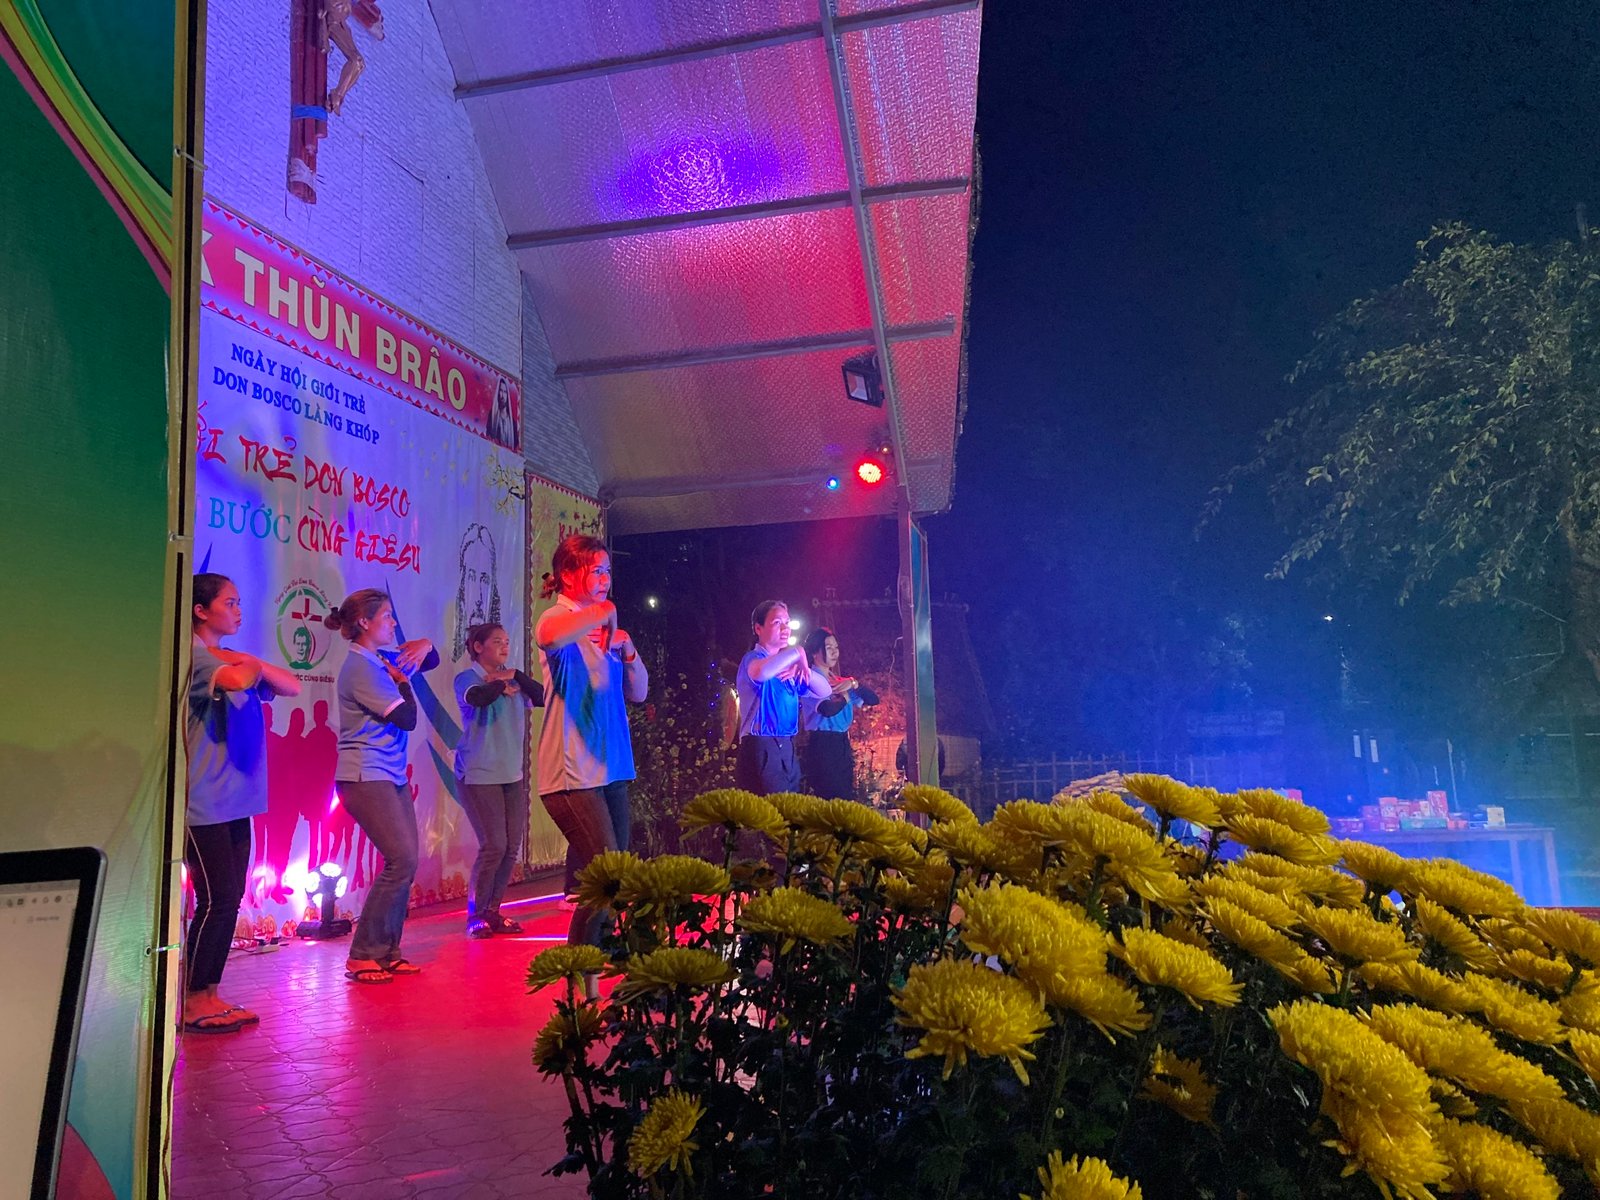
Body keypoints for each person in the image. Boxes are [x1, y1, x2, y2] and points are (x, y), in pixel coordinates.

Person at [185, 573, 301, 1032]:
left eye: (238, 602)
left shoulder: (226, 656)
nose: (238, 611)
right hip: (204, 802)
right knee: (215, 900)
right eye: (229, 603)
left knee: (230, 899)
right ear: (200, 610)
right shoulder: (196, 658)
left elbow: (290, 685)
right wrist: (242, 662)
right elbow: (236, 679)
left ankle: (210, 994)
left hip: (235, 801)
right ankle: (192, 1000)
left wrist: (245, 658)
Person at [535, 535, 648, 951]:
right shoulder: (557, 618)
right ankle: (579, 962)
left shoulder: (606, 629)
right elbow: (549, 637)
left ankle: (599, 956)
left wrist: (628, 648)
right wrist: (604, 611)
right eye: (596, 571)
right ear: (567, 575)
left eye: (607, 571)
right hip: (573, 775)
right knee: (605, 876)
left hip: (611, 769)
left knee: (614, 878)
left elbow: (640, 692)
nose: (604, 579)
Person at [323, 588, 438, 983]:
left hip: (389, 773)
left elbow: (430, 660)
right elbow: (406, 718)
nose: (393, 622)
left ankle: (388, 952)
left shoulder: (380, 659)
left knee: (407, 862)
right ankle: (363, 954)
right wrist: (404, 683)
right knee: (400, 859)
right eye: (387, 616)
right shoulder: (360, 667)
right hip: (365, 775)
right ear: (364, 622)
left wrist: (425, 644)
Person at [453, 622, 544, 938]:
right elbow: (479, 698)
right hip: (479, 774)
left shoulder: (512, 679)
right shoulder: (468, 678)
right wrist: (498, 684)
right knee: (494, 845)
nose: (505, 646)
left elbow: (542, 696)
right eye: (496, 641)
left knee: (510, 848)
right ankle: (476, 916)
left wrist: (514, 675)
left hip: (511, 775)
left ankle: (492, 911)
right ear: (478, 647)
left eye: (506, 641)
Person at [736, 601, 831, 795]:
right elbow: (762, 673)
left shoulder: (788, 668)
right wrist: (797, 652)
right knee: (770, 808)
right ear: (758, 628)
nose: (785, 628)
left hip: (787, 746)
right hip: (761, 744)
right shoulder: (752, 659)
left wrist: (804, 669)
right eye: (777, 622)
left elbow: (825, 691)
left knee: (789, 808)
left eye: (787, 622)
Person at [799, 627, 880, 800]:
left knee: (845, 795)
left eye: (836, 647)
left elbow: (873, 700)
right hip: (823, 744)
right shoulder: (810, 678)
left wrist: (855, 683)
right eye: (828, 648)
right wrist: (845, 696)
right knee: (829, 796)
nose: (835, 652)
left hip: (842, 742)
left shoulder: (838, 680)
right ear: (814, 652)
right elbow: (827, 709)